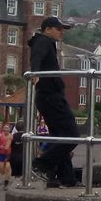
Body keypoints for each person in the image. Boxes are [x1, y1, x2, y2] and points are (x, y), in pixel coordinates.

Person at [28, 16, 79, 188]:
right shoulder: (43, 41)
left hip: (48, 96)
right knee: (72, 136)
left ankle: (67, 178)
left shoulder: (46, 42)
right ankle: (42, 164)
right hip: (51, 96)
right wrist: (35, 73)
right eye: (59, 29)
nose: (61, 32)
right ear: (48, 29)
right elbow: (36, 57)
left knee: (61, 138)